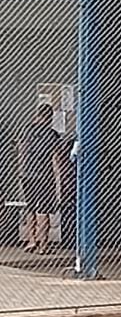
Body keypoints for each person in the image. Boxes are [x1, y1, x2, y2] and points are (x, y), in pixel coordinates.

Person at [15, 104, 63, 256]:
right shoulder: (52, 134)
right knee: (43, 210)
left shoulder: (26, 130)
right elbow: (55, 158)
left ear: (37, 114)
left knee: (30, 208)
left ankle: (31, 240)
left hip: (27, 174)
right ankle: (43, 244)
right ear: (50, 117)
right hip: (45, 176)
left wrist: (21, 170)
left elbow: (21, 151)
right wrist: (58, 178)